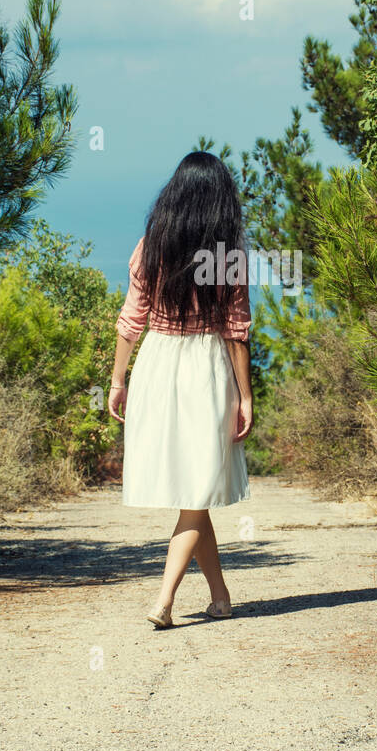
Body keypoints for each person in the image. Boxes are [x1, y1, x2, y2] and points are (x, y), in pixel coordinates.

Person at [108, 152, 253, 628]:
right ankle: (165, 601)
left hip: (158, 363)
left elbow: (131, 320)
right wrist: (245, 396)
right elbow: (236, 330)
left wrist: (118, 380)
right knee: (197, 487)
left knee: (195, 488)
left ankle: (220, 597)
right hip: (205, 368)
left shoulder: (152, 244)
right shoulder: (228, 255)